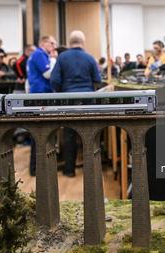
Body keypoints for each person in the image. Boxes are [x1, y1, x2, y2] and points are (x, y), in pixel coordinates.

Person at [51, 30, 101, 177]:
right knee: (90, 134)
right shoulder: (90, 58)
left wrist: (62, 92)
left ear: (70, 42)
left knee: (69, 134)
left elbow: (54, 80)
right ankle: (91, 170)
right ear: (83, 42)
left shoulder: (62, 58)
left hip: (68, 100)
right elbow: (97, 79)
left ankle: (70, 170)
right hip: (88, 100)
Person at [27, 35, 58, 176]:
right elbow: (48, 74)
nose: (54, 47)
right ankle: (36, 167)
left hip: (38, 94)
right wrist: (53, 59)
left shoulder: (37, 54)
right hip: (41, 95)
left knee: (40, 132)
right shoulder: (39, 54)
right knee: (39, 132)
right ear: (43, 43)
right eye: (52, 43)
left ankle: (37, 166)